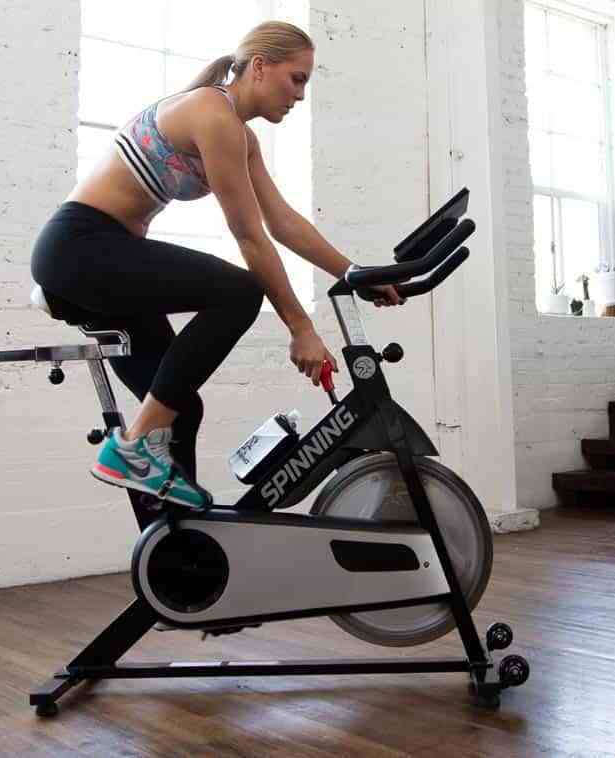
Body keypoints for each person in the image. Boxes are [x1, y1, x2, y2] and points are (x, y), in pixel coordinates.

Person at [29, 20, 402, 509]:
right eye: (298, 78)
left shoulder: (241, 137)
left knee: (180, 409)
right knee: (239, 291)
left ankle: (181, 562)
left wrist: (352, 275)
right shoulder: (213, 113)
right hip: (80, 248)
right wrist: (300, 326)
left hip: (98, 261)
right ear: (261, 67)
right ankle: (134, 445)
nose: (301, 95)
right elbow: (249, 236)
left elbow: (283, 223)